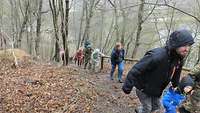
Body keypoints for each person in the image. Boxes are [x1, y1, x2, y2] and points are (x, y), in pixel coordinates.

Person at [122, 29, 194, 113]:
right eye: (184, 45)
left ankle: (141, 110)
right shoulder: (157, 56)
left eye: (189, 45)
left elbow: (177, 73)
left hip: (157, 90)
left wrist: (176, 85)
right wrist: (127, 86)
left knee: (157, 108)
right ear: (176, 44)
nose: (187, 49)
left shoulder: (179, 59)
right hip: (143, 88)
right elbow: (137, 69)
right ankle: (140, 110)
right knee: (147, 108)